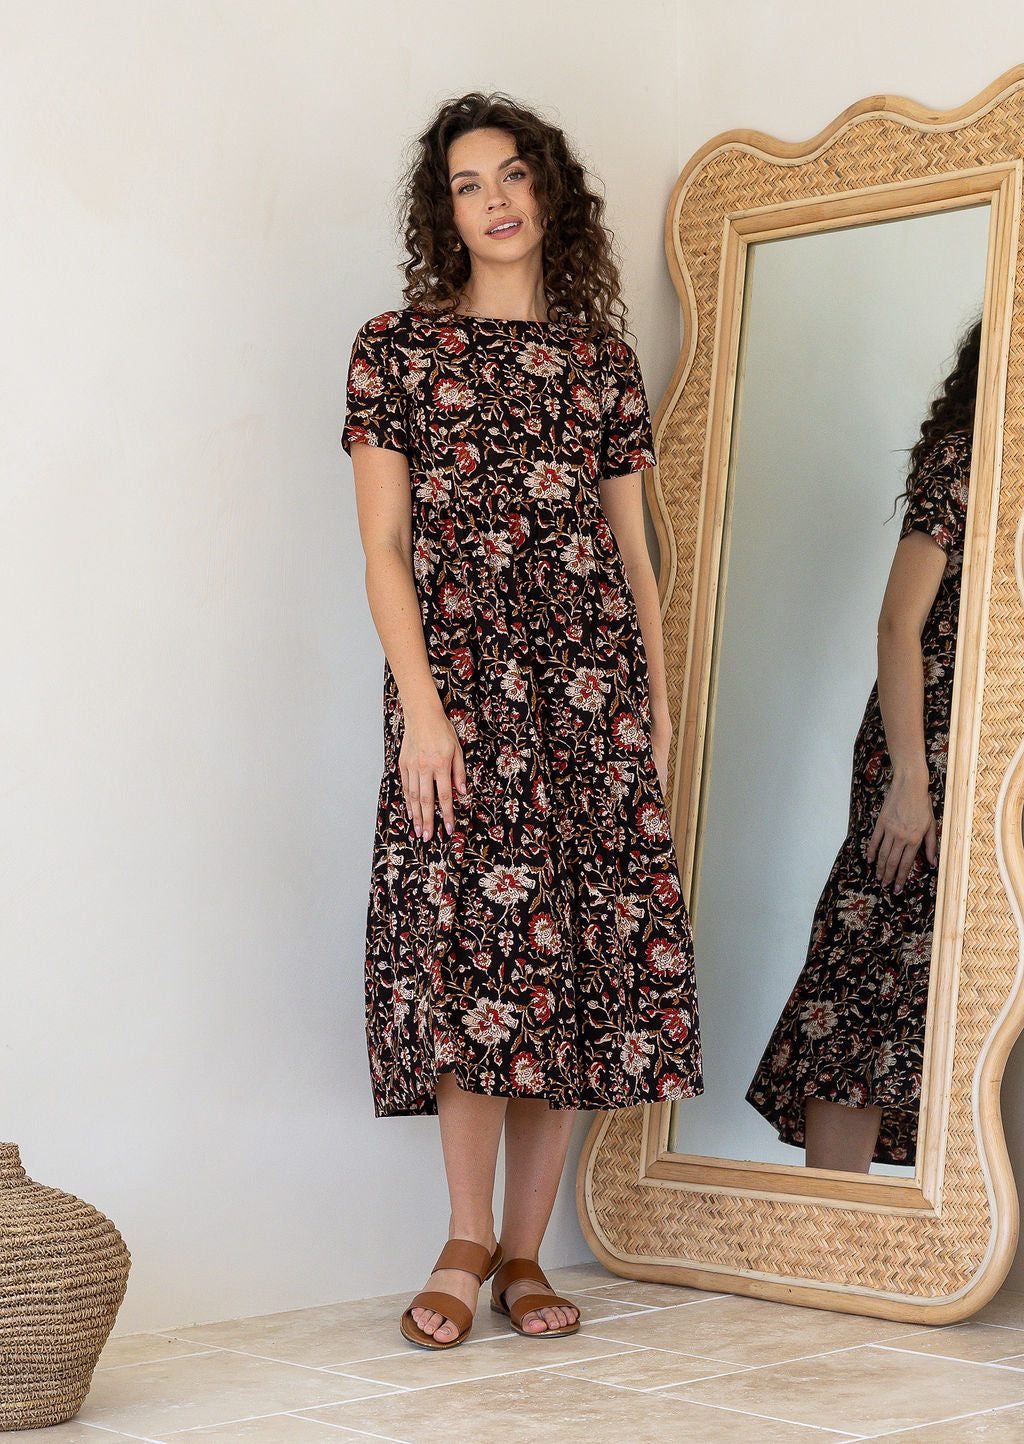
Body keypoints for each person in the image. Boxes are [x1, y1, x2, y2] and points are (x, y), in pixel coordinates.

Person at [342, 92, 702, 1348]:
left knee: (586, 962)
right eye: (464, 183)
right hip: (467, 695)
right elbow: (385, 549)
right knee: (471, 956)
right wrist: (425, 715)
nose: (492, 199)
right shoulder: (394, 349)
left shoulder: (601, 363)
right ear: (442, 211)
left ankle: (524, 1255)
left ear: (549, 192)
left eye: (512, 175)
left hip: (593, 694)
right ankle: (459, 1235)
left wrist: (654, 700)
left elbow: (632, 551)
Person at [746, 319, 980, 1173]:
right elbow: (898, 624)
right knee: (867, 970)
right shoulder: (967, 459)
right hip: (924, 750)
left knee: (954, 987)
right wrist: (912, 782)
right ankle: (832, 1224)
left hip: (997, 760)